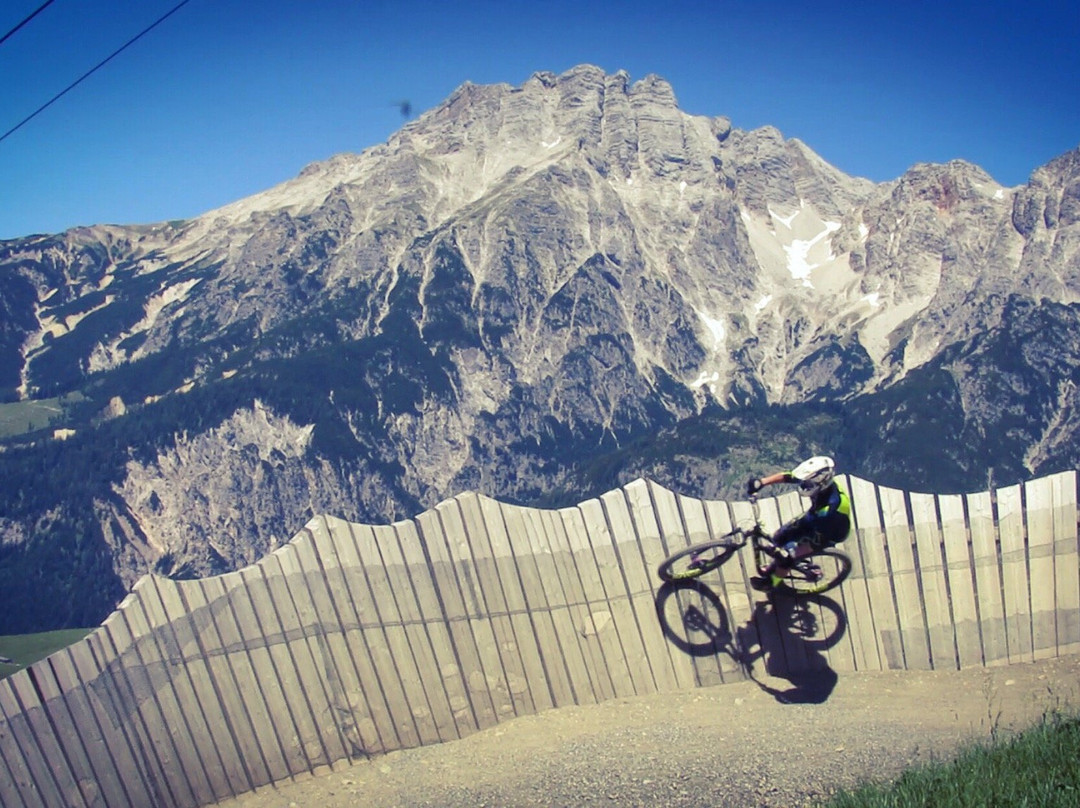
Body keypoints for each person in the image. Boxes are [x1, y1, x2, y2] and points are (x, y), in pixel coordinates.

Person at [745, 455, 851, 591]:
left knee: (787, 558)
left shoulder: (831, 507)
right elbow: (789, 477)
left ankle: (773, 583)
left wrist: (790, 552)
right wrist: (762, 482)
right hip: (815, 518)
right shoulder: (819, 482)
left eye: (808, 485)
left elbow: (813, 537)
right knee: (779, 536)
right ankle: (781, 565)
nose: (805, 486)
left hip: (828, 532)